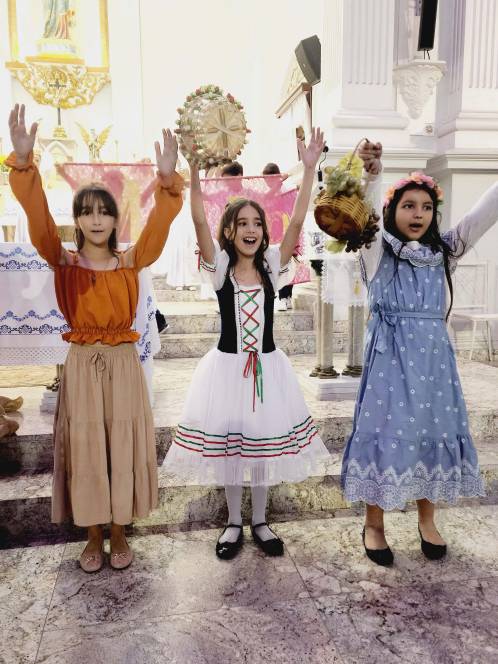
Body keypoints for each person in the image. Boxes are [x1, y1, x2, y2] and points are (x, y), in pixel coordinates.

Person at [7, 104, 183, 572]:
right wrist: (23, 163)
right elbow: (37, 217)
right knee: (86, 448)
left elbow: (161, 225)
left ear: (115, 219)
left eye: (105, 212)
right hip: (83, 363)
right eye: (87, 213)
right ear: (78, 221)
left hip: (122, 363)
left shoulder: (131, 261)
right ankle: (91, 536)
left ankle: (119, 532)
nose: (97, 220)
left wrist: (168, 180)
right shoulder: (63, 260)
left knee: (120, 446)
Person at [163, 128, 330, 559]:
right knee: (233, 450)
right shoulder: (220, 269)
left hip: (268, 369)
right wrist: (194, 173)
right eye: (242, 223)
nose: (251, 229)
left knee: (261, 447)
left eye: (257, 223)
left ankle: (260, 520)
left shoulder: (272, 267)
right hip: (227, 370)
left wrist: (309, 168)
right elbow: (199, 222)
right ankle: (234, 522)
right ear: (230, 230)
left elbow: (297, 222)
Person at [341, 139, 498, 566]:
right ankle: (374, 524)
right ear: (393, 210)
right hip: (389, 361)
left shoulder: (444, 251)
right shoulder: (379, 251)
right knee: (385, 434)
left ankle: (427, 519)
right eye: (409, 206)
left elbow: (481, 216)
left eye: (426, 207)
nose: (418, 214)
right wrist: (372, 175)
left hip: (433, 362)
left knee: (432, 432)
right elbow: (368, 214)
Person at [261, 162, 296, 311]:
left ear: (274, 177)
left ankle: (286, 297)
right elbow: (264, 201)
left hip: (286, 230)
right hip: (272, 232)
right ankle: (278, 296)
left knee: (286, 264)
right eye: (265, 180)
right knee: (273, 265)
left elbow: (293, 211)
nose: (266, 183)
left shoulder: (288, 190)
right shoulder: (268, 192)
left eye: (268, 180)